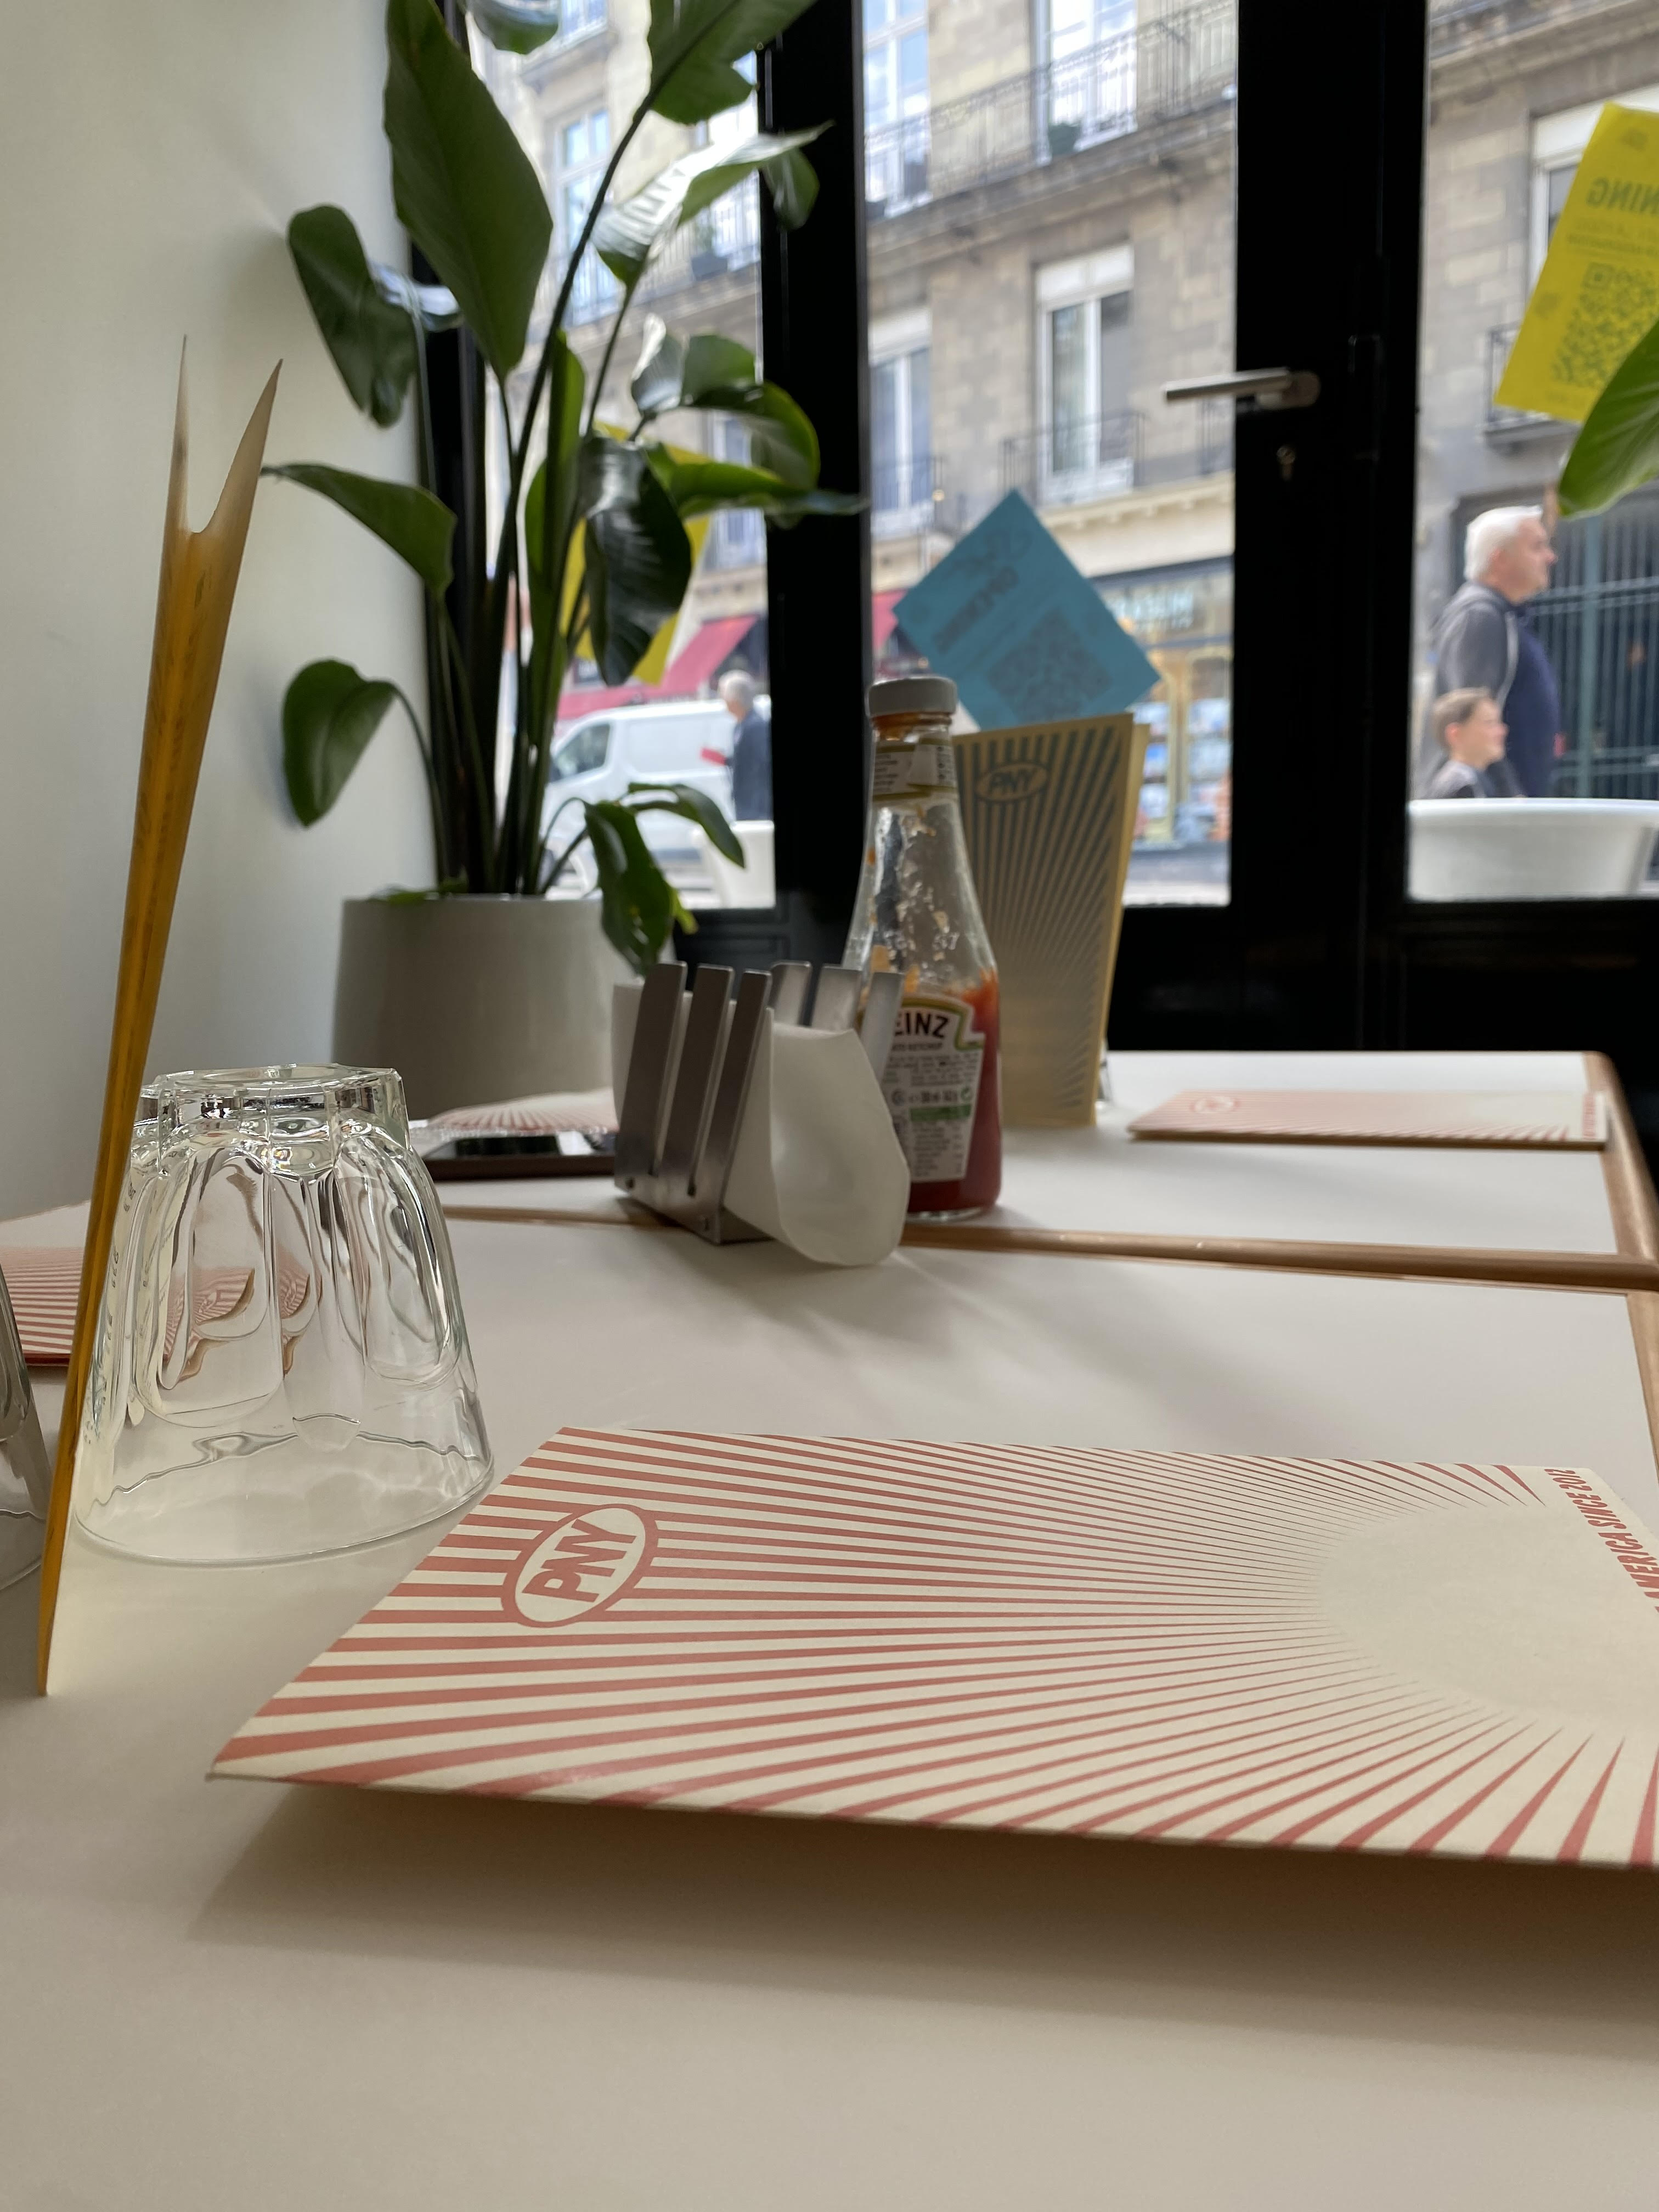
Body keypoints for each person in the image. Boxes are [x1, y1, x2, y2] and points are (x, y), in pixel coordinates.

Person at [1429, 505, 1562, 797]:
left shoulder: (1504, 616)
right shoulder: (1479, 616)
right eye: (1537, 547)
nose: (1550, 557)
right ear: (1500, 558)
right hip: (1485, 807)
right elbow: (1472, 720)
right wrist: (1511, 797)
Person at [1417, 686, 1521, 799]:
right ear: (1456, 734)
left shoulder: (1482, 781)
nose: (1502, 731)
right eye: (1490, 723)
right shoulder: (1459, 788)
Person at [720, 669, 771, 822]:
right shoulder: (740, 726)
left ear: (734, 699)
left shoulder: (756, 726)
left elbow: (761, 765)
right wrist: (727, 760)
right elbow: (745, 759)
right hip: (743, 802)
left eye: (725, 697)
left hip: (756, 805)